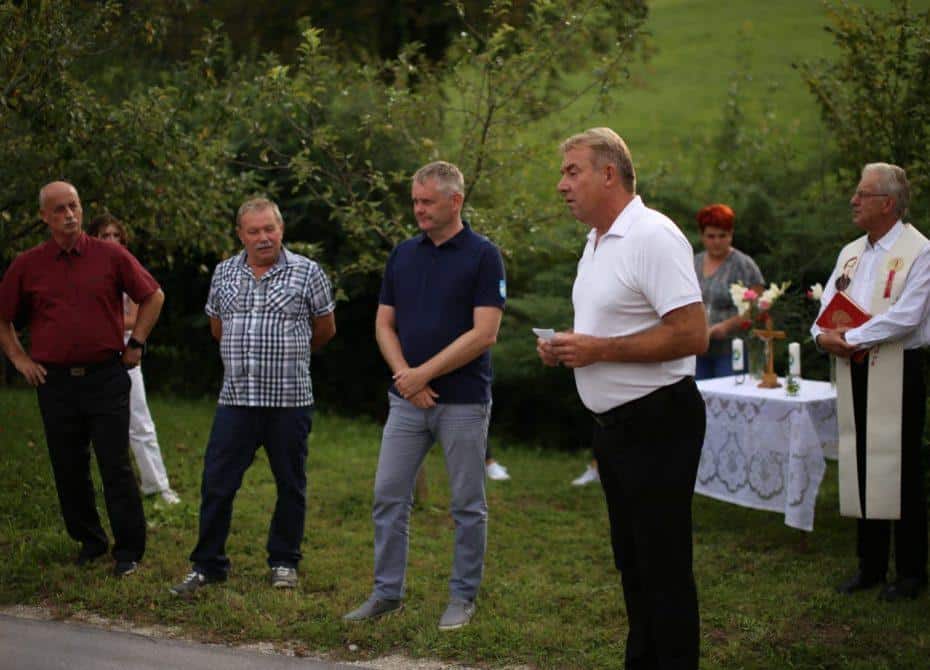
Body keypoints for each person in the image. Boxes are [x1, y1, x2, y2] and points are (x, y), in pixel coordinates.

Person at [538, 128, 708, 669]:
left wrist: (600, 350)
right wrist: (570, 347)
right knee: (632, 564)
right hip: (613, 429)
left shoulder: (653, 235)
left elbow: (692, 334)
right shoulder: (595, 242)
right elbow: (612, 328)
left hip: (659, 420)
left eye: (572, 171)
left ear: (608, 174)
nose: (562, 184)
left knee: (663, 567)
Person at [344, 161, 505, 631]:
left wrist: (422, 375)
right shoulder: (403, 254)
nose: (418, 209)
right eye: (414, 201)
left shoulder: (484, 255)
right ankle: (386, 593)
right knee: (388, 496)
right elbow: (383, 323)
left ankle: (462, 597)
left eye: (427, 201)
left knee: (467, 505)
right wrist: (404, 377)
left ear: (455, 201)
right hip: (406, 402)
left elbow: (485, 333)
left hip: (463, 403)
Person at [170, 197, 336, 596]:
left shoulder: (307, 272)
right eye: (254, 231)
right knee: (217, 484)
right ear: (240, 234)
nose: (263, 238)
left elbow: (325, 328)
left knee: (290, 485)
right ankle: (208, 565)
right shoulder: (225, 272)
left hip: (289, 401)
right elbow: (217, 327)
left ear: (281, 229)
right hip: (236, 400)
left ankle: (284, 561)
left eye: (270, 229)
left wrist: (291, 355)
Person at [0, 181, 164, 577]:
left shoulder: (111, 255)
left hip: (105, 376)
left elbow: (153, 296)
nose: (69, 214)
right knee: (68, 466)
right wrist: (20, 359)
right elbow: (3, 318)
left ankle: (129, 550)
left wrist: (137, 343)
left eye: (73, 206)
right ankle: (90, 542)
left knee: (115, 465)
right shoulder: (28, 265)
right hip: (55, 382)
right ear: (44, 216)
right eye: (59, 209)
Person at [812, 162, 929, 602]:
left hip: (899, 368)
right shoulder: (851, 253)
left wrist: (850, 338)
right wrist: (822, 337)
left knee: (901, 467)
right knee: (861, 459)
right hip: (854, 367)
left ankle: (912, 570)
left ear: (888, 203)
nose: (854, 200)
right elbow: (827, 305)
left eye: (863, 194)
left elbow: (907, 316)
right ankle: (871, 565)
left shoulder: (919, 251)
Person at [87, 214, 180, 505]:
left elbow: (138, 313)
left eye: (117, 236)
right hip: (90, 351)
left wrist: (109, 322)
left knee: (139, 418)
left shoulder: (128, 268)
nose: (112, 241)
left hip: (125, 348)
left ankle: (157, 485)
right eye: (105, 235)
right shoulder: (84, 270)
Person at [693, 203, 764, 379]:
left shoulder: (744, 265)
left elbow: (759, 307)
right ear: (702, 236)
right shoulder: (693, 263)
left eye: (722, 236)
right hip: (698, 348)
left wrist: (727, 326)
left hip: (732, 349)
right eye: (711, 236)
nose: (716, 241)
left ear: (731, 234)